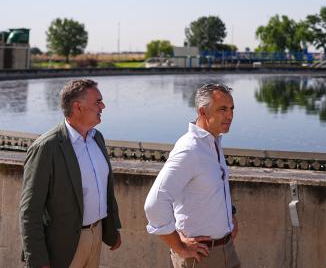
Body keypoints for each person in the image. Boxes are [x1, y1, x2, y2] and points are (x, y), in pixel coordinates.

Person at [20, 79, 122, 268]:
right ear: (78, 107)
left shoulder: (96, 138)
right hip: (62, 247)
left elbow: (104, 188)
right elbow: (30, 210)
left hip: (95, 235)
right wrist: (38, 259)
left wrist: (112, 230)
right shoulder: (46, 147)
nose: (103, 106)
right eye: (97, 102)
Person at [144, 83, 240, 268]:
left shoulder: (212, 142)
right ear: (203, 112)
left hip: (226, 250)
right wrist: (178, 245)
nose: (230, 115)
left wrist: (230, 215)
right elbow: (155, 203)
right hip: (201, 258)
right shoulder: (190, 149)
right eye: (222, 109)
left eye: (231, 109)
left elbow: (212, 188)